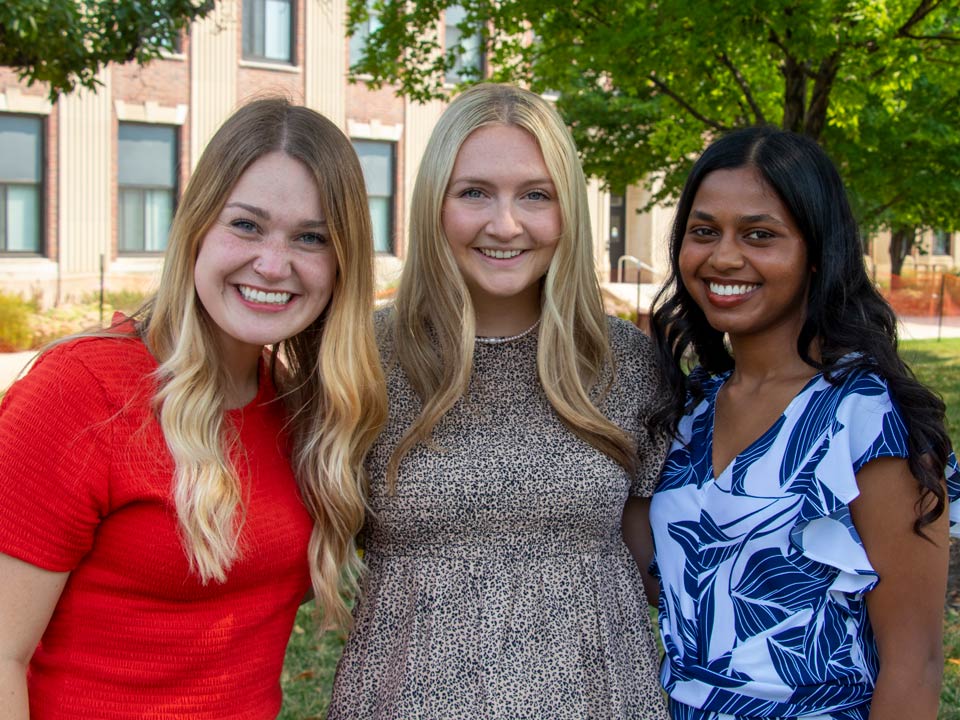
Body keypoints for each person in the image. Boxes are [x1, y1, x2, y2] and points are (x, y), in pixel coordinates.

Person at [0, 97, 386, 719]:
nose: (272, 263)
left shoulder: (297, 410)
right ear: (198, 225)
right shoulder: (80, 393)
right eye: (246, 225)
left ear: (341, 264)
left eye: (311, 237)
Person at [326, 83, 669, 719]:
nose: (505, 224)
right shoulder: (364, 356)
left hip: (600, 700)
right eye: (474, 192)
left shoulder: (625, 361)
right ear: (435, 203)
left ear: (568, 211)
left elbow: (663, 564)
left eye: (535, 195)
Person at [648, 125, 960, 720]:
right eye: (704, 231)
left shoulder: (869, 418)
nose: (724, 256)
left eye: (760, 235)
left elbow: (915, 663)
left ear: (817, 253)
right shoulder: (689, 411)